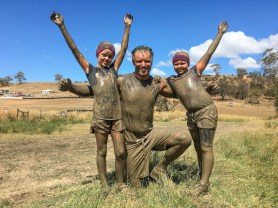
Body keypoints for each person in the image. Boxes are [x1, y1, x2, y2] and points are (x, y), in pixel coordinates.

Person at [58, 46, 192, 187]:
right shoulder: (121, 80)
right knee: (136, 186)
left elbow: (180, 92)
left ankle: (159, 170)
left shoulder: (157, 83)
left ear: (152, 62)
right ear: (133, 61)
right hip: (130, 140)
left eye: (147, 61)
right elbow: (93, 90)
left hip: (150, 134)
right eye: (139, 61)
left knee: (184, 139)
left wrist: (200, 87)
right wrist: (71, 87)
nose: (143, 64)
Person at [50, 11, 133, 189]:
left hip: (117, 118)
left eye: (110, 56)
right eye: (104, 55)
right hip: (100, 118)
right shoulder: (90, 70)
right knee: (101, 151)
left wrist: (127, 27)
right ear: (97, 55)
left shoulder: (114, 70)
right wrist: (62, 26)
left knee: (120, 152)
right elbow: (74, 50)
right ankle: (104, 185)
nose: (107, 58)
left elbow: (124, 49)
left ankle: (120, 184)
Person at [167, 21, 229, 195]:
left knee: (206, 147)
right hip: (191, 116)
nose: (179, 66)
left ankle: (203, 186)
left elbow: (209, 52)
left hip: (206, 111)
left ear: (187, 63)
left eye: (182, 63)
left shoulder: (195, 72)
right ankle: (203, 178)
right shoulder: (172, 80)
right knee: (197, 148)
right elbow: (166, 90)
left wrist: (220, 33)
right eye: (176, 63)